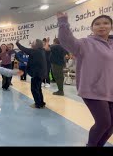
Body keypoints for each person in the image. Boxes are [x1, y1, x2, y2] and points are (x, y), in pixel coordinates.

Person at [57, 12, 113, 147]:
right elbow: (66, 40)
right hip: (92, 89)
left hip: (110, 90)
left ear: (111, 26)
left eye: (106, 23)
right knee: (103, 122)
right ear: (92, 28)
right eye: (97, 24)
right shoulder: (85, 43)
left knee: (111, 125)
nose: (102, 26)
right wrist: (63, 22)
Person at [16, 39, 47, 109]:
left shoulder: (34, 51)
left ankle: (38, 104)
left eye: (33, 42)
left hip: (37, 74)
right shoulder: (41, 51)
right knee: (38, 88)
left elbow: (23, 49)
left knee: (34, 89)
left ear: (37, 44)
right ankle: (41, 102)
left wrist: (17, 43)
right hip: (41, 73)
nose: (32, 43)